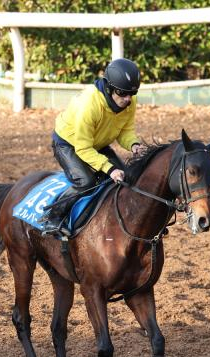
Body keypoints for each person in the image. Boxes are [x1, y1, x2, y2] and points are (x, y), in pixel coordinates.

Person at [41, 57, 145, 236]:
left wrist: (133, 144)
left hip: (97, 143)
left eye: (132, 94)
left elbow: (125, 131)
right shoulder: (89, 105)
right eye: (123, 93)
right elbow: (82, 148)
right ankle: (52, 218)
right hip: (69, 144)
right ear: (110, 88)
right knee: (85, 182)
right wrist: (109, 168)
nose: (128, 99)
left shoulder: (128, 101)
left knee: (127, 179)